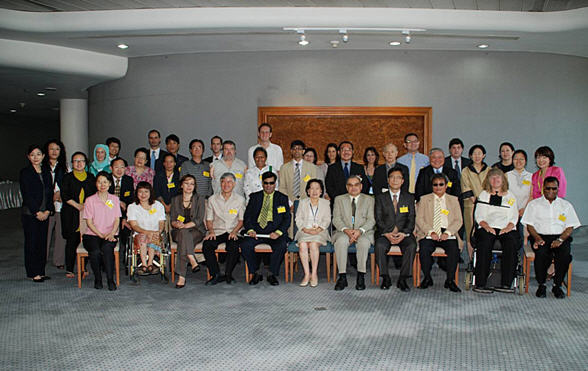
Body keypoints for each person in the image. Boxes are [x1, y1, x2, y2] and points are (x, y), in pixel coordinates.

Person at [521, 177, 580, 299]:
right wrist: (537, 238)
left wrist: (560, 240)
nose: (551, 191)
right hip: (540, 236)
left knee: (564, 254)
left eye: (554, 188)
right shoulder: (534, 204)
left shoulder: (566, 205)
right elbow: (529, 225)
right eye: (548, 188)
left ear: (558, 189)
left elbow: (570, 227)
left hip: (560, 237)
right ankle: (541, 284)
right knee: (542, 254)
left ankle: (557, 285)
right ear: (543, 189)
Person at [472, 168, 519, 294]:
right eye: (492, 178)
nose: (495, 180)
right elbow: (479, 216)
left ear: (503, 180)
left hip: (506, 228)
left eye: (498, 177)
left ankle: (506, 283)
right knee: (484, 243)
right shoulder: (483, 195)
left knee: (511, 243)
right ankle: (480, 283)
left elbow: (514, 216)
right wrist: (487, 227)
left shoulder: (510, 196)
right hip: (487, 226)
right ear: (488, 180)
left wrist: (507, 228)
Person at [240, 172, 290, 286]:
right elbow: (247, 217)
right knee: (245, 245)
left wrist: (278, 233)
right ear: (262, 183)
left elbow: (287, 219)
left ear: (275, 183)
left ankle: (271, 273)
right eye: (266, 183)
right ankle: (255, 272)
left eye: (271, 183)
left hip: (274, 231)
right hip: (257, 231)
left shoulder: (282, 198)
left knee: (281, 246)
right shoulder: (254, 197)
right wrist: (250, 230)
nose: (268, 185)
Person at [415, 173, 463, 292]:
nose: (438, 187)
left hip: (448, 232)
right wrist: (430, 232)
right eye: (435, 185)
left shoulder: (453, 200)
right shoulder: (424, 199)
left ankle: (450, 280)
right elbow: (419, 219)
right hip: (429, 231)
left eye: (441, 184)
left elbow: (458, 220)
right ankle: (427, 277)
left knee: (453, 249)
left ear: (446, 186)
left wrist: (448, 232)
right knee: (424, 249)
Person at [374, 167, 417, 291]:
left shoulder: (408, 197)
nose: (395, 180)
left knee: (411, 246)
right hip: (385, 233)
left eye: (398, 177)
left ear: (403, 181)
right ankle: (385, 277)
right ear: (388, 180)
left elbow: (411, 219)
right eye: (392, 177)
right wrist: (386, 233)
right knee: (380, 246)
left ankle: (403, 279)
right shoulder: (380, 197)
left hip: (404, 233)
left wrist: (404, 233)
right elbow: (378, 218)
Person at [332, 175, 375, 291]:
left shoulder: (369, 200)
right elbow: (336, 219)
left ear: (361, 186)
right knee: (340, 242)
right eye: (350, 185)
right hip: (344, 231)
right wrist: (346, 230)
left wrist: (359, 231)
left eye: (356, 185)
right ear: (347, 187)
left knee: (364, 243)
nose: (353, 188)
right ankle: (342, 277)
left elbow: (371, 219)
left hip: (363, 231)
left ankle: (360, 276)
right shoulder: (339, 199)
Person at [202, 173, 245, 285]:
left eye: (229, 182)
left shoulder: (240, 199)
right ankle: (215, 274)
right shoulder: (212, 199)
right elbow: (209, 219)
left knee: (234, 246)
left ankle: (228, 274)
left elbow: (241, 220)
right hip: (217, 231)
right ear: (220, 183)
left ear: (234, 184)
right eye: (224, 181)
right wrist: (211, 231)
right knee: (207, 245)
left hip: (233, 230)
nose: (226, 184)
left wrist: (235, 231)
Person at [20, 144, 54, 282]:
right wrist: (37, 212)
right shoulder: (25, 172)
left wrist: (47, 210)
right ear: (28, 157)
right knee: (32, 242)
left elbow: (50, 192)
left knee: (42, 243)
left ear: (43, 156)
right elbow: (26, 195)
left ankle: (41, 270)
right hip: (30, 214)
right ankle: (33, 272)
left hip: (45, 212)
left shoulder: (46, 171)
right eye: (32, 155)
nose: (36, 157)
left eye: (38, 154)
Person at [82, 171, 121, 290]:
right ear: (96, 184)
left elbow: (117, 219)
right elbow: (89, 222)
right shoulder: (90, 200)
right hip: (92, 234)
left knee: (107, 249)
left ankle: (110, 280)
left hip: (110, 233)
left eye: (105, 182)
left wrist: (112, 233)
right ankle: (98, 279)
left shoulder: (114, 199)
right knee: (95, 252)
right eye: (99, 182)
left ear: (109, 184)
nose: (102, 185)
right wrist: (99, 234)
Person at [61, 152, 96, 278]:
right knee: (72, 240)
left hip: (87, 213)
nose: (79, 163)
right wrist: (77, 206)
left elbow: (94, 195)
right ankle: (69, 268)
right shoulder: (67, 177)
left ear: (86, 163)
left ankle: (83, 267)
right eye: (76, 161)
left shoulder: (91, 177)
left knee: (85, 240)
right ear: (72, 163)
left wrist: (86, 207)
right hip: (71, 212)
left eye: (81, 161)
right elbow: (64, 195)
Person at [169, 175, 207, 288]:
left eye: (192, 184)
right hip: (178, 230)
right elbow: (172, 220)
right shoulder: (175, 199)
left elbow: (199, 219)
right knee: (183, 234)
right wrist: (177, 224)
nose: (189, 186)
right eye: (186, 183)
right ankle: (191, 257)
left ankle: (182, 277)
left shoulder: (200, 199)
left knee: (183, 239)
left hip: (196, 230)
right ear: (181, 185)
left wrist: (184, 225)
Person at [279, 140, 320, 237]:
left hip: (307, 204)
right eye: (294, 148)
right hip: (290, 205)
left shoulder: (312, 168)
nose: (297, 151)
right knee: (292, 233)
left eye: (299, 148)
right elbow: (282, 188)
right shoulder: (284, 168)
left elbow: (314, 188)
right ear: (291, 151)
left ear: (303, 151)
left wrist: (304, 204)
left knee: (306, 234)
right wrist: (290, 204)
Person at [295, 179, 331, 287]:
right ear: (308, 191)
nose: (314, 191)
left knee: (314, 244)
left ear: (321, 191)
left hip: (320, 231)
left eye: (317, 188)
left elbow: (327, 219)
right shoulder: (302, 202)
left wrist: (318, 229)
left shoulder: (326, 203)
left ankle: (314, 274)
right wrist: (306, 229)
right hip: (304, 231)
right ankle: (307, 274)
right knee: (302, 245)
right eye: (311, 188)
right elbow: (298, 219)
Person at [127, 182, 166, 276]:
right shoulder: (132, 207)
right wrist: (147, 232)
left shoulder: (158, 205)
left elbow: (162, 222)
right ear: (136, 193)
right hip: (139, 234)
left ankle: (150, 264)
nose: (143, 195)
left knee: (153, 235)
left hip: (156, 234)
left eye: (146, 192)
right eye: (140, 192)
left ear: (150, 193)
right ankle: (144, 265)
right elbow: (134, 225)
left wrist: (159, 231)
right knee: (143, 237)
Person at [460, 144, 490, 255]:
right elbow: (465, 186)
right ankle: (471, 260)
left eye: (479, 153)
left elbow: (490, 186)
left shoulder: (489, 170)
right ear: (470, 156)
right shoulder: (465, 171)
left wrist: (482, 200)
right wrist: (474, 199)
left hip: (486, 205)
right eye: (474, 154)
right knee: (470, 232)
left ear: (484, 155)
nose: (477, 156)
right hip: (470, 205)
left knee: (484, 231)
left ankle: (482, 260)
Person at [43, 139, 67, 269]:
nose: (54, 151)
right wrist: (50, 197)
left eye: (57, 149)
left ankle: (59, 261)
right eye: (51, 149)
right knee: (45, 233)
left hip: (61, 205)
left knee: (60, 234)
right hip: (46, 205)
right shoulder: (42, 166)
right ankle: (42, 259)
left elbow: (68, 186)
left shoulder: (65, 167)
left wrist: (60, 195)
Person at [325, 141, 369, 207]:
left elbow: (365, 184)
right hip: (339, 203)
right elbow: (329, 186)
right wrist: (341, 199)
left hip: (357, 203)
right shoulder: (332, 168)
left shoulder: (359, 168)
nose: (346, 152)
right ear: (339, 152)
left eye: (349, 149)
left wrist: (356, 198)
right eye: (343, 149)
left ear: (353, 152)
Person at [109, 158, 134, 259]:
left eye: (122, 167)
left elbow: (129, 201)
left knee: (127, 231)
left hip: (123, 215)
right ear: (111, 168)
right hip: (107, 215)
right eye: (116, 167)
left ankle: (126, 259)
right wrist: (117, 202)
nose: (119, 170)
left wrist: (124, 218)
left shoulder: (128, 180)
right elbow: (102, 198)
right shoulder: (105, 179)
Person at [506, 150, 532, 248]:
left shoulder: (531, 176)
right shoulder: (507, 175)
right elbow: (505, 194)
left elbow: (531, 195)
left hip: (525, 211)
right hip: (510, 211)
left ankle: (522, 260)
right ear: (512, 160)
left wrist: (524, 209)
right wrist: (514, 208)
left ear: (525, 161)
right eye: (516, 159)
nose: (518, 161)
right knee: (511, 237)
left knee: (523, 236)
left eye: (521, 159)